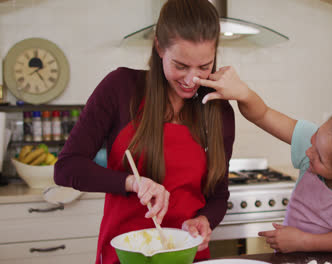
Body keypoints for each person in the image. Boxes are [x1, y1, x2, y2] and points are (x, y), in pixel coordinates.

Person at [54, 0, 235, 263]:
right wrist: (130, 182)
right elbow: (66, 168)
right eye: (181, 66)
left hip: (189, 257)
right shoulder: (120, 88)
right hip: (126, 257)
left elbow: (219, 194)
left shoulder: (218, 109)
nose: (191, 80)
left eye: (204, 66)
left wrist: (205, 220)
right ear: (159, 47)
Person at [193, 67, 332, 263]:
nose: (308, 152)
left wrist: (303, 241)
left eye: (320, 158)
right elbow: (262, 114)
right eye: (314, 139)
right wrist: (243, 93)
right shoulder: (314, 144)